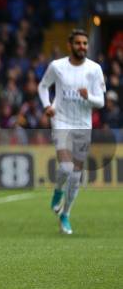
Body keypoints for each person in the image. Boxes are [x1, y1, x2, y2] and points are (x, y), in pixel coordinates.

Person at [38, 29, 105, 235]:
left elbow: (100, 102)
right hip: (61, 121)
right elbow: (43, 86)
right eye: (78, 43)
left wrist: (88, 97)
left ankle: (65, 214)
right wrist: (47, 105)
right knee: (66, 168)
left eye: (85, 43)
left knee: (76, 176)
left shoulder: (94, 69)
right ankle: (58, 190)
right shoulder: (57, 67)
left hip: (83, 125)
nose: (82, 47)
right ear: (70, 45)